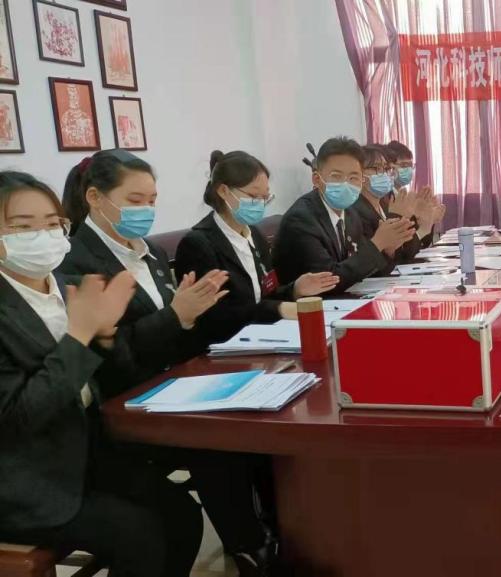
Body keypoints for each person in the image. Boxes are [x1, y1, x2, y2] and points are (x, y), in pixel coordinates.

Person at [0, 171, 202, 576]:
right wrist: (79, 335)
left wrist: (107, 336)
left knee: (182, 516)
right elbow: (19, 418)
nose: (43, 236)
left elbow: (114, 371)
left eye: (52, 224)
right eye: (23, 227)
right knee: (138, 535)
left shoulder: (70, 286)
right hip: (23, 479)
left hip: (85, 457)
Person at [58, 149, 229, 386]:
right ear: (95, 197)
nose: (146, 210)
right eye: (135, 201)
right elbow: (105, 356)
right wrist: (175, 315)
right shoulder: (71, 260)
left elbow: (175, 336)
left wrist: (189, 316)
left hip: (176, 380)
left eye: (151, 201)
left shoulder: (153, 252)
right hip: (127, 392)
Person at [176, 151, 339, 348]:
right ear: (224, 191)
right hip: (222, 347)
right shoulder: (198, 244)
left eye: (265, 197)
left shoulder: (254, 234)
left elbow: (267, 294)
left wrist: (295, 289)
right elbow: (214, 316)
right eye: (254, 196)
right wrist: (278, 309)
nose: (260, 204)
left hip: (264, 338)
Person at [273, 136, 416, 293]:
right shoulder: (301, 219)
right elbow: (330, 281)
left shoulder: (350, 213)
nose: (346, 183)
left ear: (362, 180)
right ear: (317, 179)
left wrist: (388, 250)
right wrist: (377, 245)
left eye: (353, 177)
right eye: (336, 176)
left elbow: (363, 271)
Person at [350, 144, 437, 264]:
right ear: (359, 174)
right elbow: (370, 262)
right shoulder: (355, 211)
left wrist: (424, 224)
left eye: (386, 169)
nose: (383, 173)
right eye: (376, 168)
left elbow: (406, 252)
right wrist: (397, 218)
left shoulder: (384, 205)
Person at [384, 139, 444, 244]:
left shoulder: (406, 196)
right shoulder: (385, 197)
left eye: (410, 165)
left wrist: (428, 220)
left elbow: (423, 243)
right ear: (390, 168)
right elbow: (403, 247)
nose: (408, 170)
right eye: (403, 165)